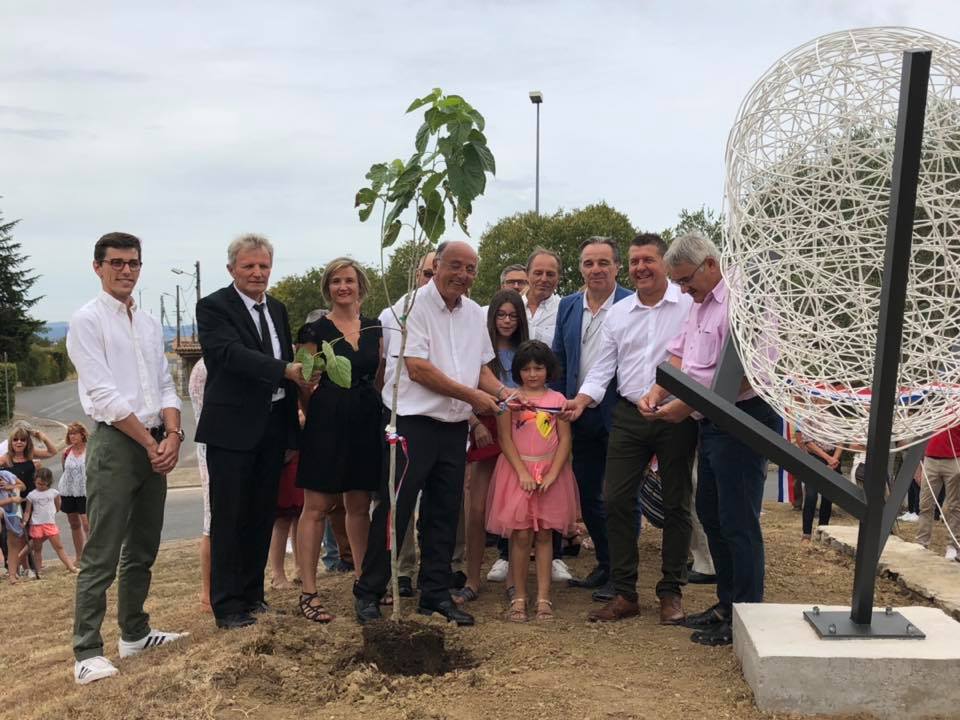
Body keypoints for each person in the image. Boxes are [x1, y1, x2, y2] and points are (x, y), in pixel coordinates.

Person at [639, 231, 780, 647]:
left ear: (710, 265)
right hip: (712, 420)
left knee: (738, 519)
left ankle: (745, 614)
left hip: (744, 415)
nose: (684, 290)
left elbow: (750, 372)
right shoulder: (699, 305)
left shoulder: (745, 300)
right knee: (713, 513)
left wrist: (684, 405)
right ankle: (726, 603)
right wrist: (658, 389)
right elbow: (679, 355)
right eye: (679, 283)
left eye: (686, 281)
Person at [353, 241, 502, 626]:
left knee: (443, 511)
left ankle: (434, 594)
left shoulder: (474, 314)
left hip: (453, 428)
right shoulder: (406, 309)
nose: (463, 275)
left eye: (471, 269)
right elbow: (417, 369)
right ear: (436, 265)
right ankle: (369, 591)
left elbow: (482, 368)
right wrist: (474, 397)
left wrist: (503, 393)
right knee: (394, 510)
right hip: (411, 425)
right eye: (455, 266)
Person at [66, 231, 187, 684]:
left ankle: (134, 633)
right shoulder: (87, 320)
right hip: (118, 443)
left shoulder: (151, 323)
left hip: (156, 441)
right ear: (97, 267)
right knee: (103, 550)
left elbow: (166, 384)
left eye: (133, 263)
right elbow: (104, 394)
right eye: (116, 263)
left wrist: (173, 435)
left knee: (143, 546)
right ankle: (86, 652)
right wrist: (149, 441)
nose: (126, 270)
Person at [564, 234, 696, 623]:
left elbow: (694, 358)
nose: (641, 268)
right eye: (636, 261)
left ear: (664, 264)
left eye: (648, 260)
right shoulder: (619, 314)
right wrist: (582, 400)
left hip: (676, 415)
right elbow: (604, 367)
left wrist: (672, 400)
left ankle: (671, 592)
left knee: (676, 503)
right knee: (615, 498)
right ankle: (625, 593)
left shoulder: (688, 305)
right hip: (628, 414)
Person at [196, 234, 308, 630]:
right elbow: (228, 355)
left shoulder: (277, 308)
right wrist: (282, 370)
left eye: (263, 266)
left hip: (274, 427)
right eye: (249, 266)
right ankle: (227, 607)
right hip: (231, 430)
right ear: (232, 270)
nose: (258, 273)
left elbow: (290, 365)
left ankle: (252, 596)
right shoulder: (213, 307)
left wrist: (292, 438)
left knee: (262, 514)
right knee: (230, 517)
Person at [296, 257, 383, 622]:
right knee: (317, 507)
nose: (343, 287)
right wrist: (315, 413)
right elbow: (303, 379)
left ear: (360, 285)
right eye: (335, 281)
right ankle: (308, 592)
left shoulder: (377, 327)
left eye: (348, 280)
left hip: (365, 418)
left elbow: (379, 373)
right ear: (327, 288)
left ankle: (364, 585)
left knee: (359, 504)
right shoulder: (313, 331)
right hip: (326, 418)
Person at [552, 236, 632, 593]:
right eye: (588, 263)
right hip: (578, 413)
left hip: (621, 413)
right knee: (587, 494)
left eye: (603, 263)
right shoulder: (568, 305)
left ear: (617, 266)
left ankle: (623, 573)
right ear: (580, 268)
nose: (596, 270)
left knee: (620, 495)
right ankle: (605, 562)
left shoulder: (633, 303)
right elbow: (560, 359)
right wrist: (560, 402)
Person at [487, 341, 579, 622]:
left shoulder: (558, 401)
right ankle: (518, 597)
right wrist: (522, 473)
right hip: (518, 474)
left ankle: (543, 597)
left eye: (538, 368)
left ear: (548, 370)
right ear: (518, 372)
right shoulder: (510, 402)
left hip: (551, 475)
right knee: (521, 534)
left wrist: (552, 474)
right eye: (526, 369)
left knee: (544, 535)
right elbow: (504, 439)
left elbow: (565, 440)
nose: (532, 374)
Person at [458, 289, 530, 602]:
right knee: (476, 507)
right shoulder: (478, 350)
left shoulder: (527, 352)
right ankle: (472, 578)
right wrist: (474, 424)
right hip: (484, 426)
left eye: (513, 315)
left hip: (521, 429)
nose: (506, 321)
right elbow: (463, 388)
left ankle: (514, 580)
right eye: (501, 315)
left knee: (517, 507)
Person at [1, 424, 57, 575]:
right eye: (16, 440)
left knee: (39, 533)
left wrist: (42, 436)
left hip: (33, 499)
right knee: (19, 537)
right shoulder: (6, 458)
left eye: (23, 440)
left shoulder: (30, 455)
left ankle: (19, 561)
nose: (19, 442)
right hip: (16, 501)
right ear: (11, 442)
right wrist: (6, 485)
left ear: (27, 442)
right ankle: (24, 569)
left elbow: (53, 451)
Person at [187, 358, 212, 612]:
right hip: (212, 450)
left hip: (217, 448)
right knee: (212, 524)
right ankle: (207, 594)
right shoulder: (205, 368)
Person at [916, 424, 960, 560]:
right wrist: (918, 465)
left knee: (954, 506)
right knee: (925, 504)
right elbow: (921, 432)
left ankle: (953, 546)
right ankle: (921, 543)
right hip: (930, 459)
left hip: (955, 458)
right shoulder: (933, 404)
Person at [24, 467, 78, 574]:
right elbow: (27, 511)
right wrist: (25, 521)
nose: (40, 486)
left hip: (50, 524)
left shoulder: (54, 493)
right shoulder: (31, 495)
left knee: (59, 546)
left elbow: (58, 506)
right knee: (38, 549)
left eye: (43, 484)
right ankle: (38, 570)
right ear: (35, 480)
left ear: (49, 483)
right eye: (38, 483)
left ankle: (71, 567)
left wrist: (55, 510)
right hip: (36, 524)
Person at [796, 429, 842, 541]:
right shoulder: (810, 417)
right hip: (815, 457)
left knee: (827, 497)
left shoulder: (835, 417)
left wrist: (834, 459)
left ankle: (822, 532)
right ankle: (806, 534)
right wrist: (828, 458)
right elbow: (807, 442)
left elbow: (841, 442)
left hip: (833, 459)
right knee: (811, 495)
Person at [60, 422, 90, 562]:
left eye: (75, 433)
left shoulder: (89, 450)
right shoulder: (66, 452)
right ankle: (79, 556)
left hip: (84, 491)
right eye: (70, 434)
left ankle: (92, 555)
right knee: (74, 523)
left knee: (87, 524)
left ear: (82, 434)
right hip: (69, 490)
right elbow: (64, 471)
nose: (72, 436)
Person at [524, 248, 561, 345]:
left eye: (550, 274)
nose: (544, 279)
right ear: (527, 274)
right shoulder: (513, 308)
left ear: (558, 278)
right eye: (538, 273)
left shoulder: (564, 311)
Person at [0, 469, 25, 584]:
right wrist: (10, 499)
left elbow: (22, 486)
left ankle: (12, 574)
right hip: (3, 510)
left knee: (13, 542)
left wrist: (10, 487)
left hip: (12, 511)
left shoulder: (5, 475)